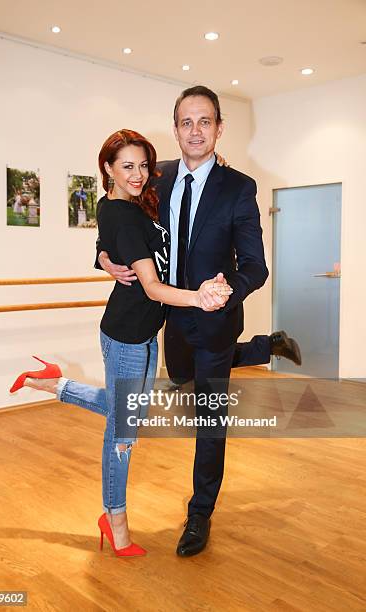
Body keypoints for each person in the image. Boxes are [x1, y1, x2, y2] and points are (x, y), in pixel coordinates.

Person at [10, 128, 233, 558]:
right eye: (126, 166)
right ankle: (114, 519)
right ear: (107, 169)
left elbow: (107, 237)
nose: (138, 174)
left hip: (144, 333)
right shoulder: (124, 215)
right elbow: (151, 287)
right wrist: (199, 298)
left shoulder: (129, 204)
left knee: (125, 412)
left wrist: (102, 256)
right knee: (122, 434)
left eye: (144, 166)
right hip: (129, 335)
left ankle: (53, 384)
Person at [96, 85, 279, 558]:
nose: (195, 131)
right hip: (168, 320)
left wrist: (226, 290)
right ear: (176, 128)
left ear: (220, 127)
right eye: (186, 122)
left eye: (205, 121)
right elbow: (120, 224)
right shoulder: (155, 177)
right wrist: (101, 257)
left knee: (209, 415)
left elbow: (255, 265)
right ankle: (261, 348)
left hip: (215, 321)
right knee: (183, 381)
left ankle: (200, 513)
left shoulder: (239, 186)